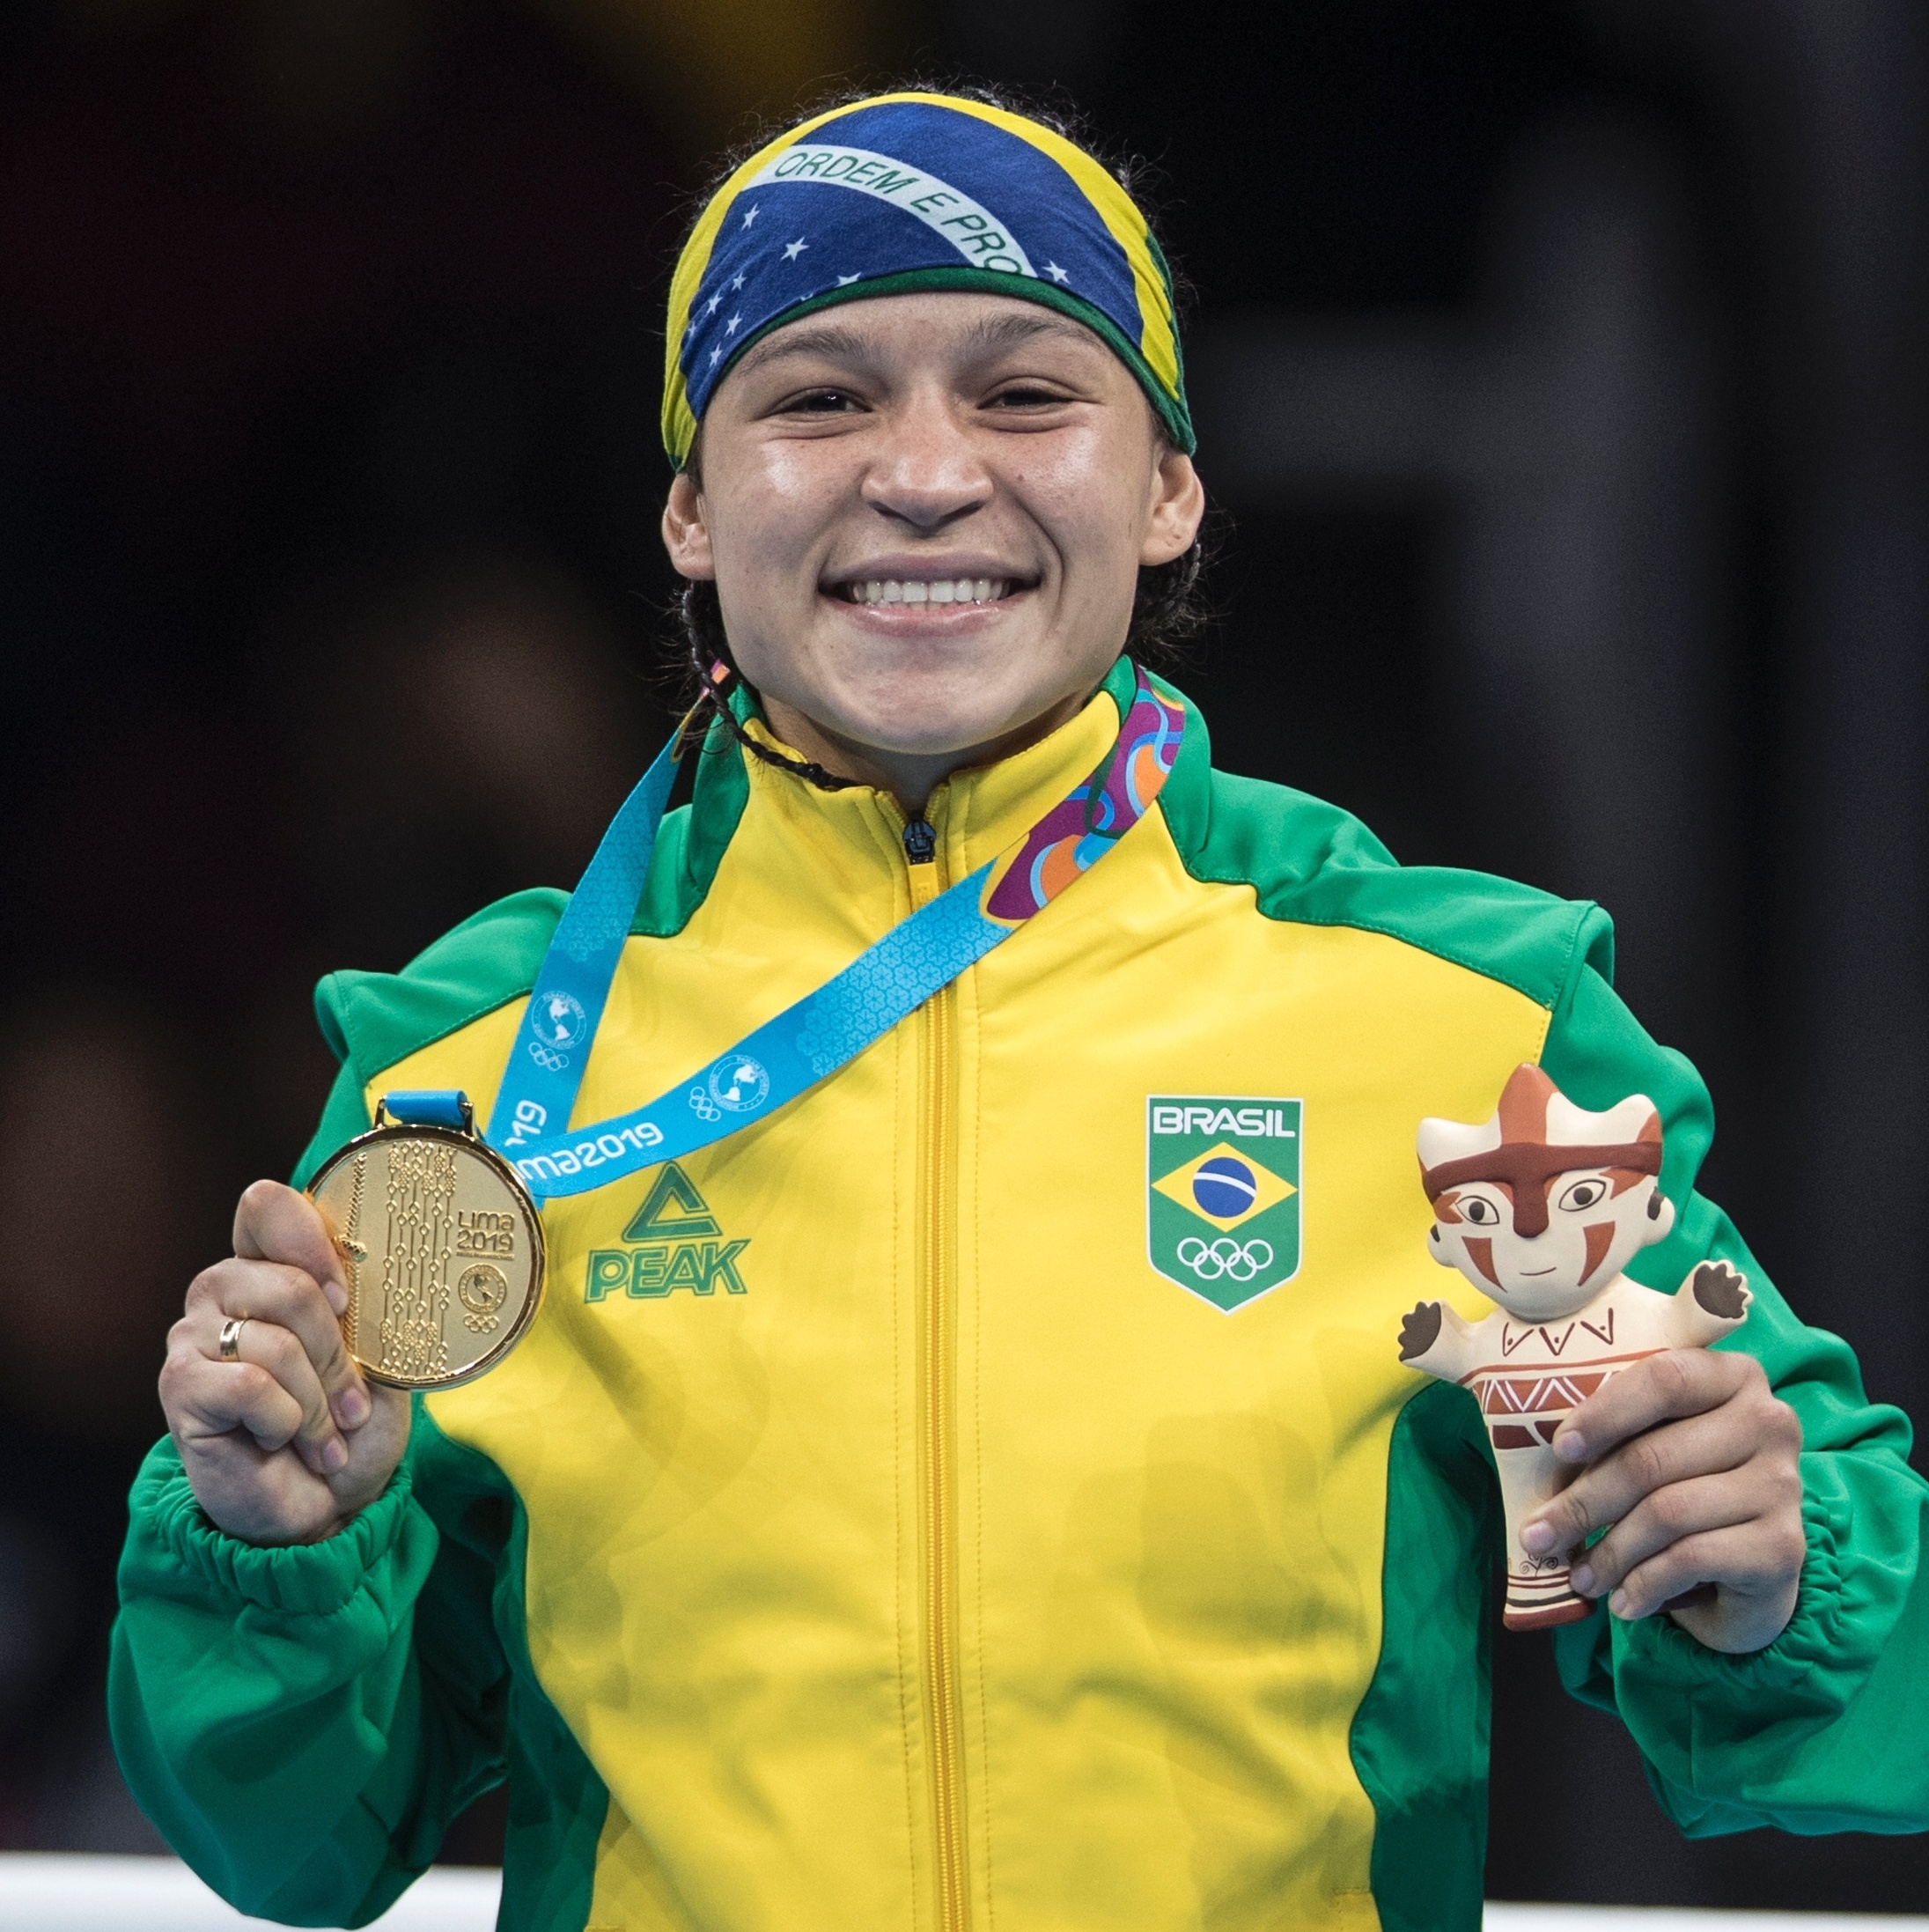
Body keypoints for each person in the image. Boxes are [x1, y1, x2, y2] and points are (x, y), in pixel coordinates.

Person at [111, 89, 1929, 1932]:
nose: (921, 471)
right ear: (686, 504)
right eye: (816, 397)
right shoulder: (471, 1067)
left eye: (1024, 392)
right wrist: (284, 1548)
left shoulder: (1453, 1019)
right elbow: (296, 1843)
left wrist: (1765, 1564)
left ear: (1166, 483)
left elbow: (1855, 1690)